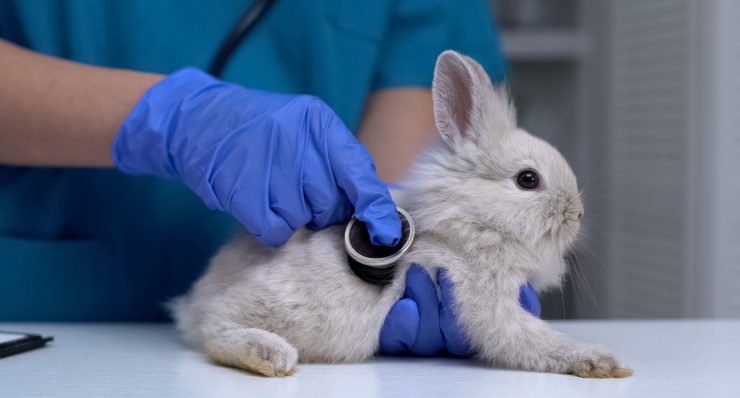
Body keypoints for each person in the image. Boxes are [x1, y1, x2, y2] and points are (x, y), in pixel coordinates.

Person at [0, 0, 527, 355]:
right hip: (45, 335)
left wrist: (389, 275)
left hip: (290, 360)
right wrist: (171, 118)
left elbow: (406, 141)